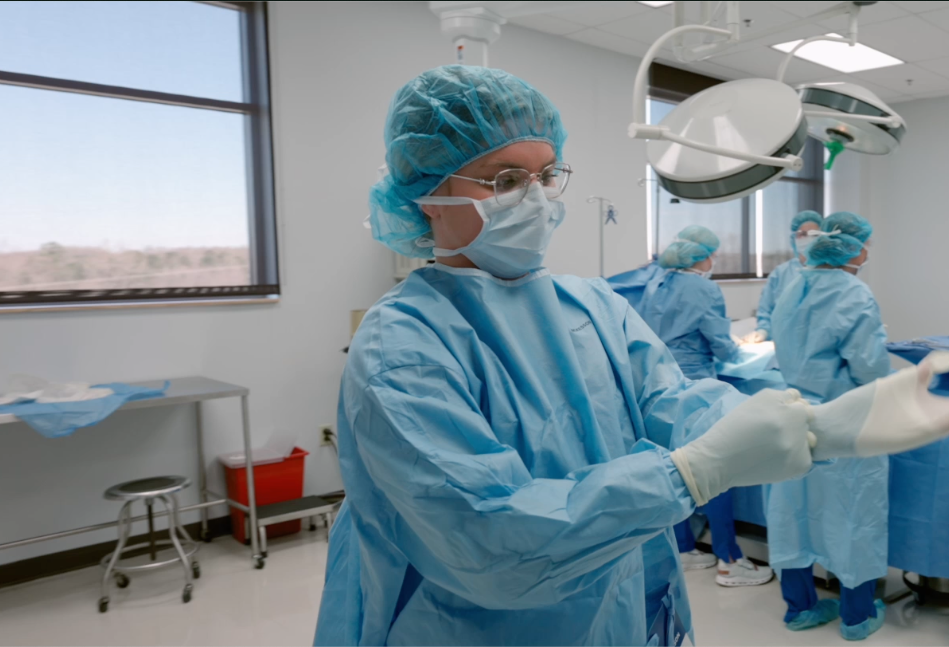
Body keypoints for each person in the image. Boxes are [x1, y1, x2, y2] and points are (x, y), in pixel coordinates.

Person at [313, 66, 820, 647]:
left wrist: (812, 429)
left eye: (547, 175)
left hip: (620, 610)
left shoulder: (592, 305)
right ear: (427, 195)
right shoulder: (401, 345)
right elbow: (491, 537)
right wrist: (688, 473)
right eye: (502, 179)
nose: (535, 198)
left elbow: (676, 405)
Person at [766, 211, 889, 641]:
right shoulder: (853, 294)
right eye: (865, 244)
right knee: (853, 512)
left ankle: (800, 608)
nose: (868, 252)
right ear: (850, 248)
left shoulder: (791, 285)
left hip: (792, 413)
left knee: (792, 511)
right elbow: (870, 366)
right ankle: (857, 617)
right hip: (842, 419)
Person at [632, 226, 773, 587]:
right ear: (703, 256)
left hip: (660, 389)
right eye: (713, 254)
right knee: (716, 470)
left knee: (676, 467)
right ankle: (728, 559)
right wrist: (754, 347)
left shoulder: (656, 284)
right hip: (697, 388)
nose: (714, 261)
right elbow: (723, 348)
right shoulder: (704, 288)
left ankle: (685, 549)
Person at [745, 210, 824, 344]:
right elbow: (766, 310)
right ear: (794, 238)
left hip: (820, 345)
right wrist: (763, 331)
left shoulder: (830, 272)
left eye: (814, 235)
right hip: (783, 345)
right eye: (802, 235)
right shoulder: (780, 273)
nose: (808, 239)